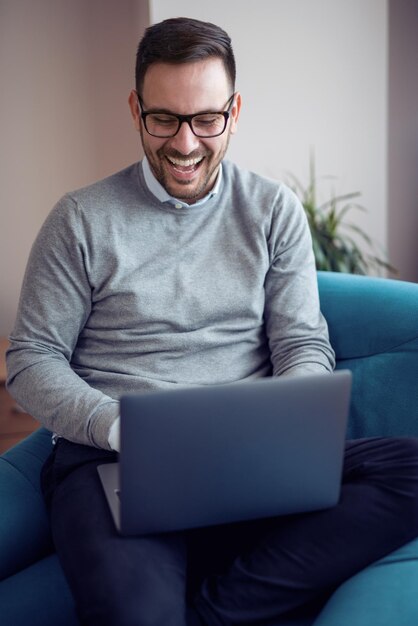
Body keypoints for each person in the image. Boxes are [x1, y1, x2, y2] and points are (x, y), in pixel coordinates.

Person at [6, 16, 418, 626]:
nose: (185, 143)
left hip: (247, 454)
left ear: (234, 110)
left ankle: (215, 611)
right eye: (164, 118)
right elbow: (31, 358)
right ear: (135, 108)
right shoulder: (80, 220)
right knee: (135, 613)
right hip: (117, 459)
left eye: (206, 119)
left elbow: (302, 340)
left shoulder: (272, 210)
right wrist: (115, 426)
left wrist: (289, 427)